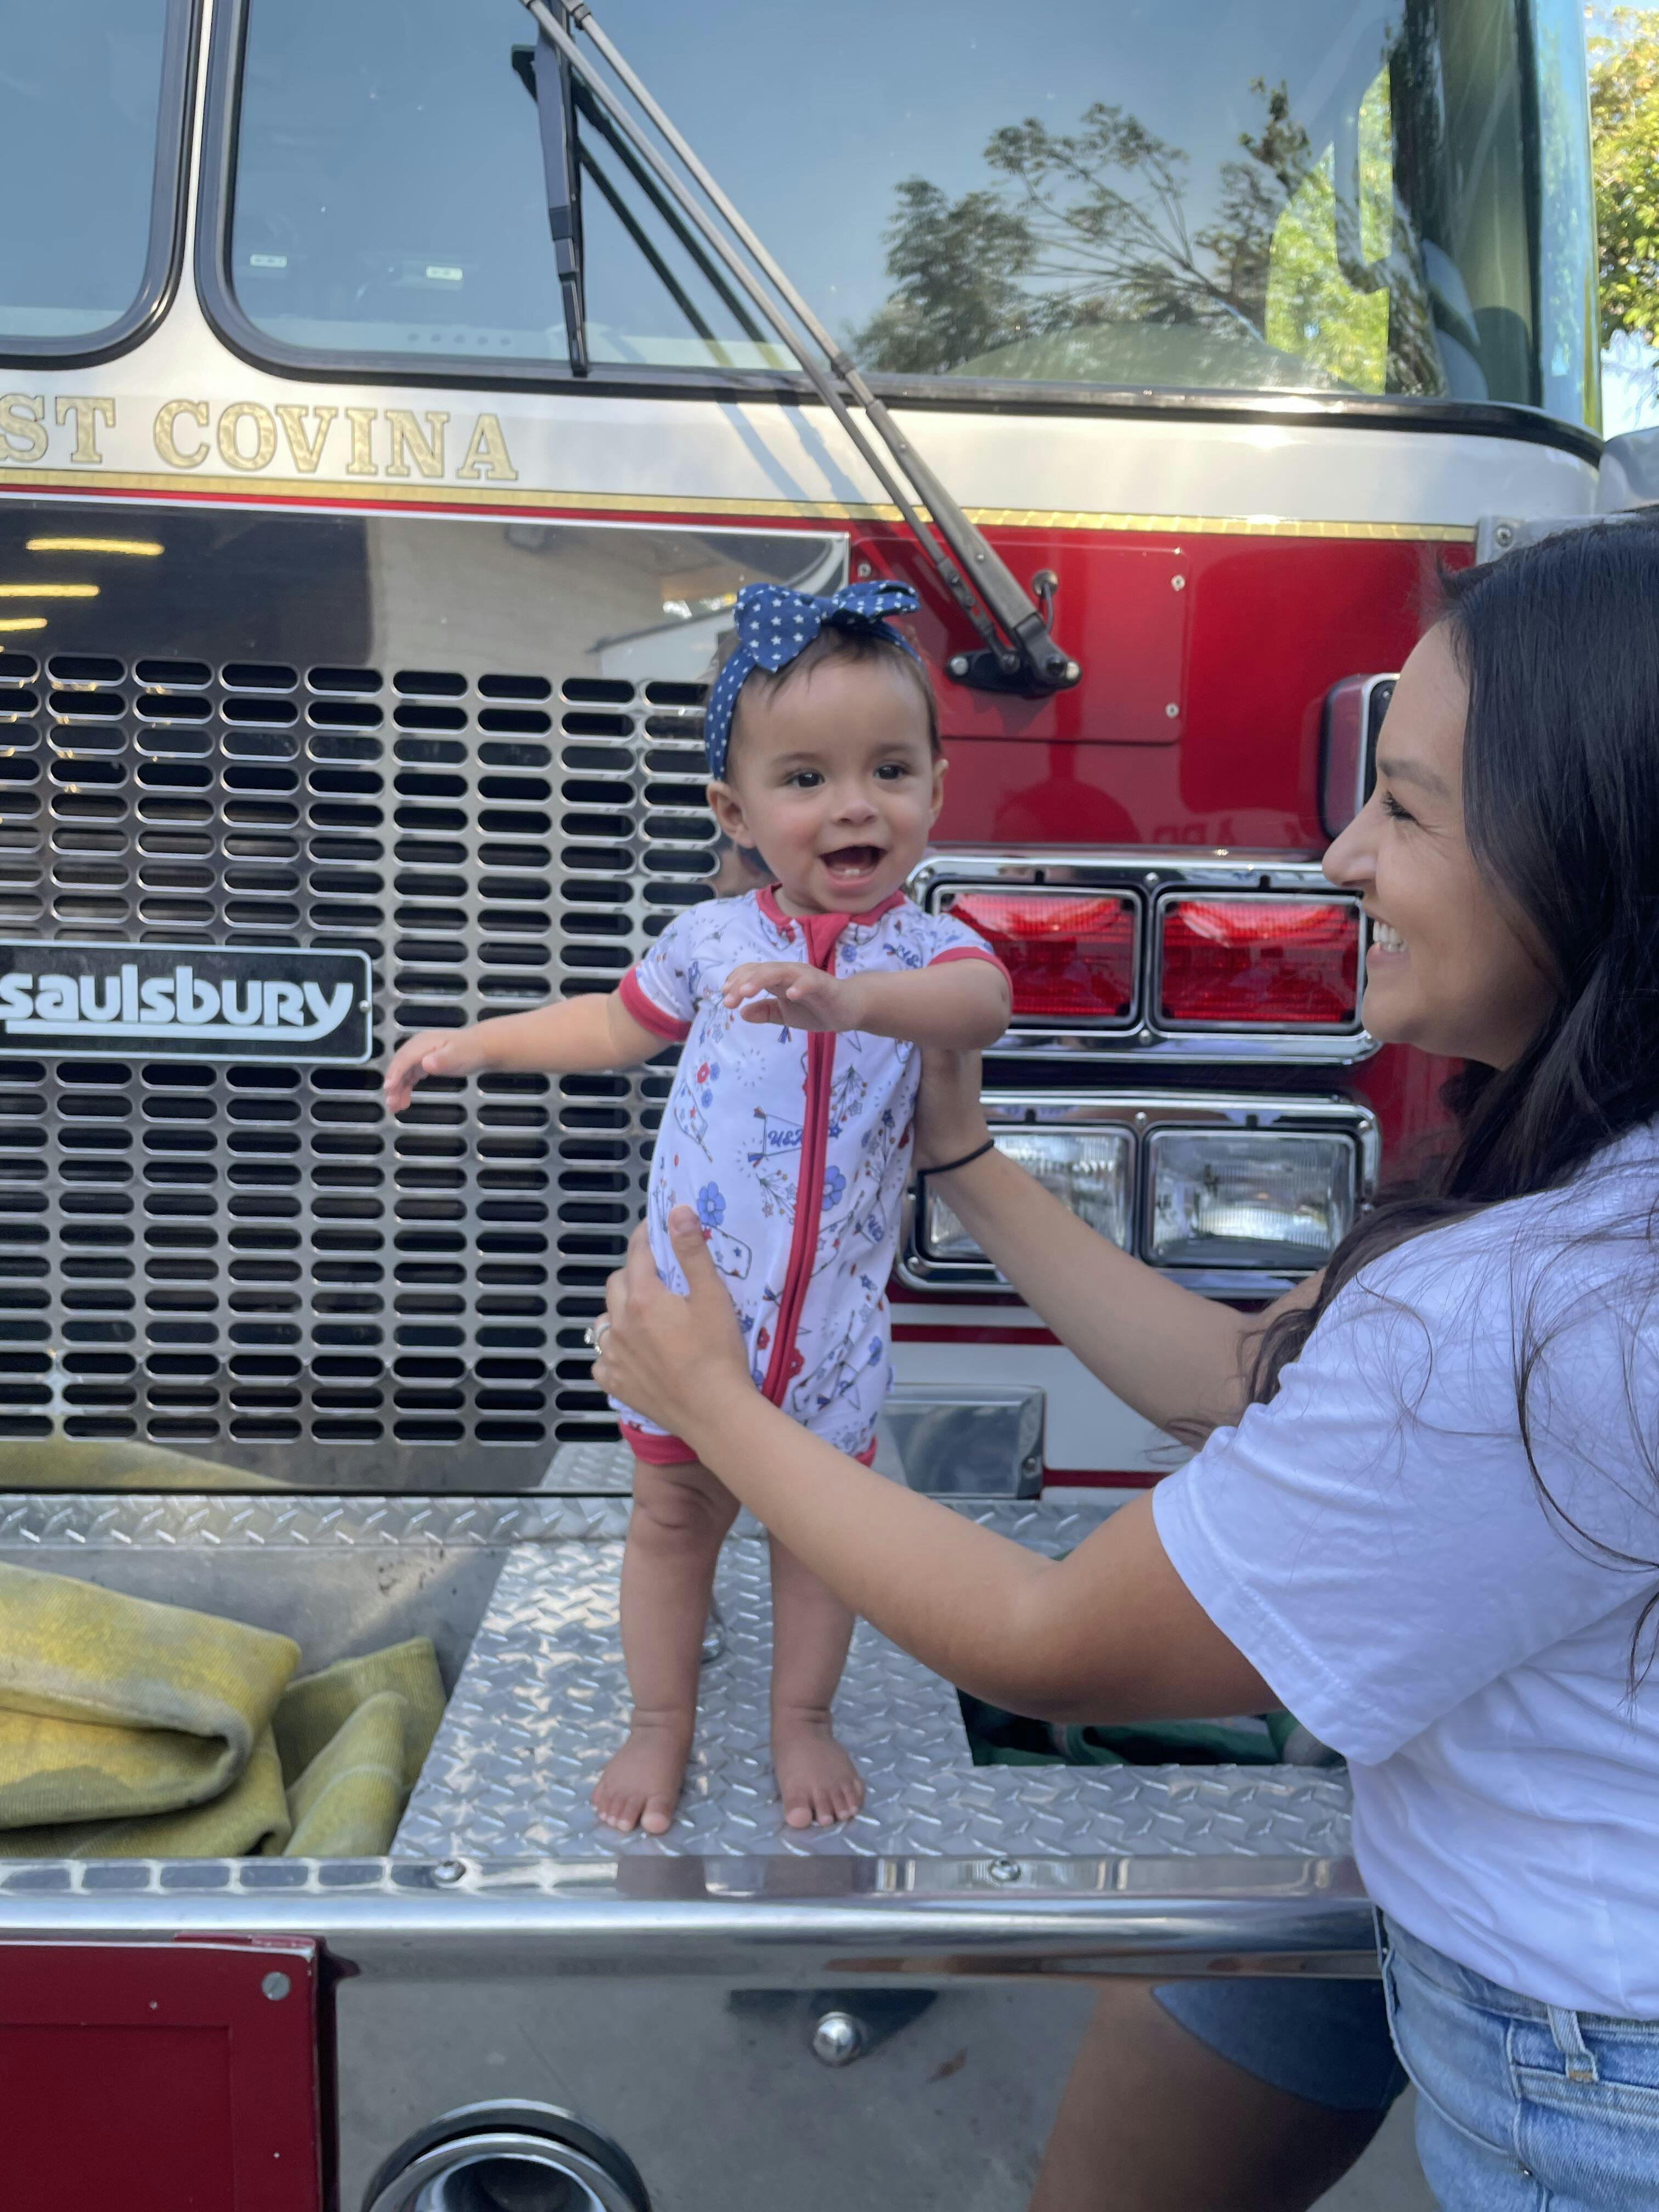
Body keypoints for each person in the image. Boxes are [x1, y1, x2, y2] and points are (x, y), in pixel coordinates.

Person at [591, 521, 1659, 2210]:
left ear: (1597, 855)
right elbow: (1245, 1380)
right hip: (1464, 1893)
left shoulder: (1542, 1316)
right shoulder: (1595, 1209)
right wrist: (964, 1162)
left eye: (1406, 809)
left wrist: (708, 1398)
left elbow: (1055, 1644)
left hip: (1586, 2073)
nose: (1341, 857)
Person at [385, 580, 1010, 1836]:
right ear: (736, 811)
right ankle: (659, 1721)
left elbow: (983, 1007)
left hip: (830, 1343)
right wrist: (475, 1044)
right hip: (689, 1321)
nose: (855, 804)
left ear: (938, 791)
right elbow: (612, 1025)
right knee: (671, 1523)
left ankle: (802, 1719)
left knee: (822, 1541)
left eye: (890, 770)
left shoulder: (923, 952)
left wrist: (853, 1004)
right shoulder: (712, 941)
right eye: (806, 778)